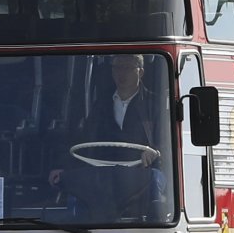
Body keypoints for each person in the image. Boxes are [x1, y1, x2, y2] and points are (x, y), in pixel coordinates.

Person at [49, 54, 168, 219]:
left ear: (140, 72)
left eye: (127, 68)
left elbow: (167, 141)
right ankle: (78, 228)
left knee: (155, 182)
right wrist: (64, 167)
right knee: (78, 189)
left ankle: (156, 225)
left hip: (143, 173)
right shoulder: (101, 103)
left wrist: (154, 151)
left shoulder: (155, 104)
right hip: (105, 174)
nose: (121, 73)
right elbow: (85, 140)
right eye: (117, 68)